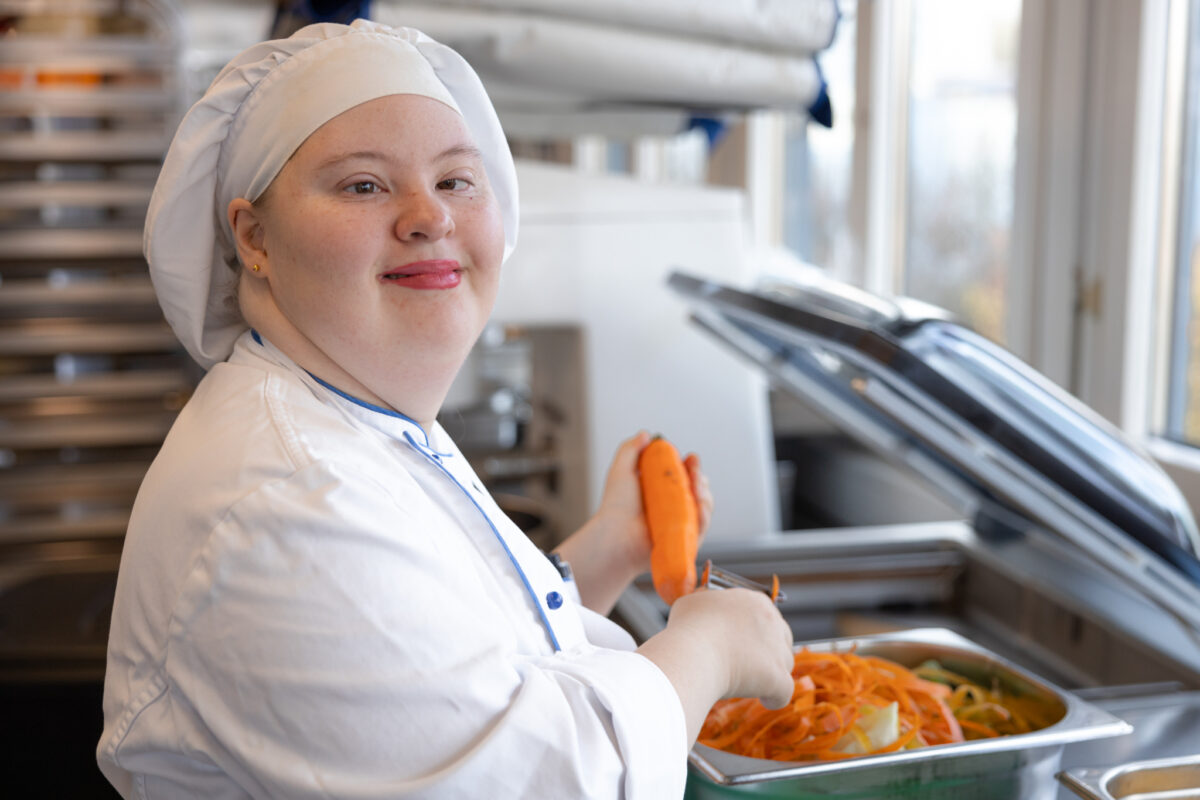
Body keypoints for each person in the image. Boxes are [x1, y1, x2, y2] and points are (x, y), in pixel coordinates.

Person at [98, 19, 794, 799]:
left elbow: (451, 675)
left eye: (456, 181)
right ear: (254, 237)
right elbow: (545, 782)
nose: (429, 217)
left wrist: (603, 553)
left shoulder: (352, 420)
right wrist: (708, 648)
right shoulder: (285, 500)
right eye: (364, 184)